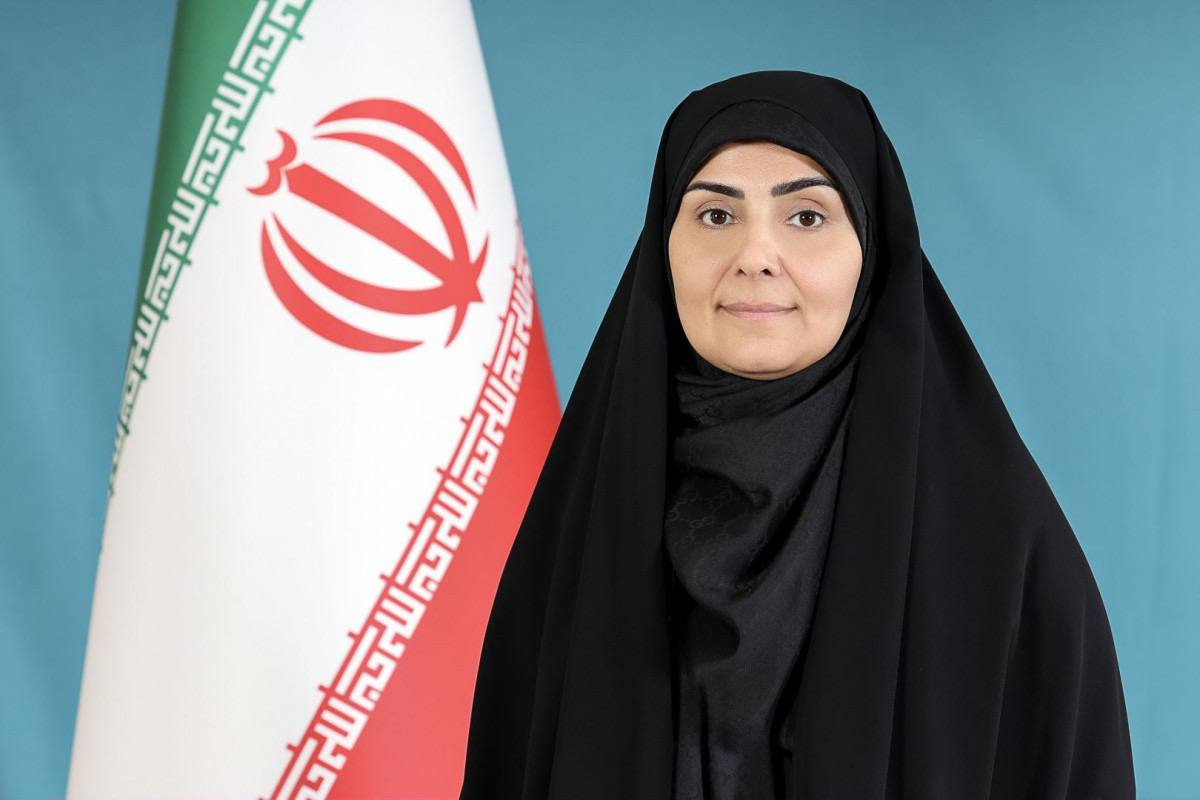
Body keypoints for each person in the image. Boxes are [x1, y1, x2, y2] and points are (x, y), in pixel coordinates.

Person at [458, 70, 1136, 799]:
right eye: (715, 215)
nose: (754, 255)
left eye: (807, 217)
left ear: (871, 249)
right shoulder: (578, 531)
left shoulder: (1003, 551)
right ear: (663, 244)